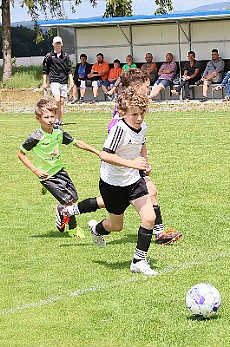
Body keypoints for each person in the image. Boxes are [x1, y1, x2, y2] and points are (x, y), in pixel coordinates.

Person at [59, 68, 183, 246]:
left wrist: (144, 163)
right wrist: (132, 163)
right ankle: (158, 233)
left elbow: (140, 141)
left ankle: (70, 211)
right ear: (137, 87)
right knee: (120, 215)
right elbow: (112, 150)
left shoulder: (135, 113)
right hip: (119, 173)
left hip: (130, 170)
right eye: (146, 87)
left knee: (145, 194)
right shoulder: (121, 120)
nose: (148, 90)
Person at [88, 86, 158, 275]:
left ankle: (138, 261)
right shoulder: (119, 129)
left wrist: (144, 164)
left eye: (142, 113)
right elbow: (105, 155)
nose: (139, 118)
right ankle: (97, 229)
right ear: (122, 112)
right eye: (134, 114)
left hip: (134, 181)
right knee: (116, 226)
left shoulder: (142, 127)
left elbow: (142, 144)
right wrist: (132, 163)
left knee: (149, 217)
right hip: (112, 184)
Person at [18, 98, 101, 238]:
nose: (50, 120)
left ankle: (58, 204)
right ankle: (73, 228)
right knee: (67, 201)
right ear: (38, 118)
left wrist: (97, 152)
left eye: (52, 116)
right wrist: (36, 171)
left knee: (74, 198)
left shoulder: (58, 132)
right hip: (46, 175)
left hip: (60, 170)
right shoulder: (35, 137)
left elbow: (77, 143)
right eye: (46, 117)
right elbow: (21, 154)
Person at [42, 36, 74, 125]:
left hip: (63, 80)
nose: (58, 45)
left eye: (59, 43)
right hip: (54, 80)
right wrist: (44, 82)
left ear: (62, 44)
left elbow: (69, 69)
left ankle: (60, 120)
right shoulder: (49, 56)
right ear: (53, 44)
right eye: (56, 43)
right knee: (57, 100)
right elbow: (45, 70)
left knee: (62, 102)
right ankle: (54, 119)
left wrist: (71, 81)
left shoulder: (66, 56)